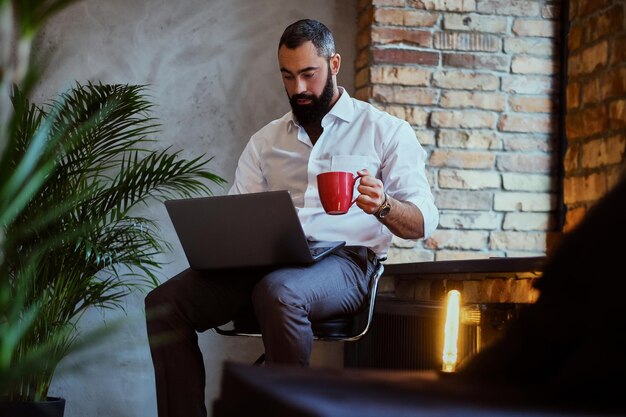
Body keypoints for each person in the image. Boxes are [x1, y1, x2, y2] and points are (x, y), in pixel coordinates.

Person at [145, 18, 438, 417]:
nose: (298, 88)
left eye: (308, 74)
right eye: (287, 76)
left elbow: (422, 223)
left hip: (347, 261)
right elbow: (236, 217)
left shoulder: (384, 131)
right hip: (269, 261)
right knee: (165, 303)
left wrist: (384, 205)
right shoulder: (266, 141)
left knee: (279, 291)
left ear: (333, 65)